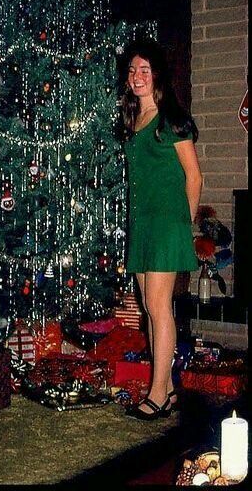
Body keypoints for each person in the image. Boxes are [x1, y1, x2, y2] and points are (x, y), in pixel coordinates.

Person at [121, 39, 202, 420]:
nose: (137, 76)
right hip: (142, 224)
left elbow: (194, 176)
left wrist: (184, 224)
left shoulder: (172, 119)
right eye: (133, 70)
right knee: (150, 308)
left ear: (157, 75)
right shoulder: (133, 119)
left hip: (168, 224)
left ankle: (157, 391)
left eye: (144, 70)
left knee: (158, 306)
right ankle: (166, 389)